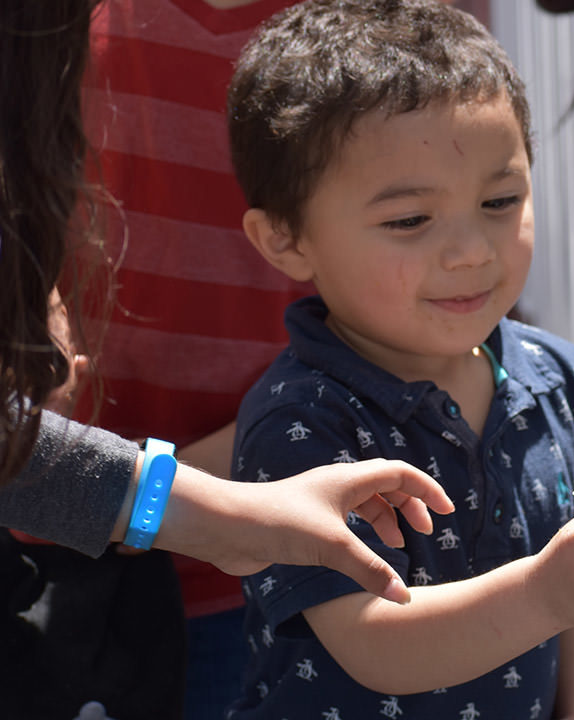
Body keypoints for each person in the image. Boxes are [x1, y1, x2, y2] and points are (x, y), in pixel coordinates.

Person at [224, 1, 574, 717]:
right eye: (409, 220)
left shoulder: (558, 378)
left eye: (501, 200)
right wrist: (546, 590)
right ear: (286, 238)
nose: (472, 250)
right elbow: (371, 643)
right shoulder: (298, 424)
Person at [0, 2, 455, 715]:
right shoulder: (57, 26)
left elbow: (423, 309)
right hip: (59, 528)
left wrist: (207, 493)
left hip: (271, 541)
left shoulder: (382, 37)